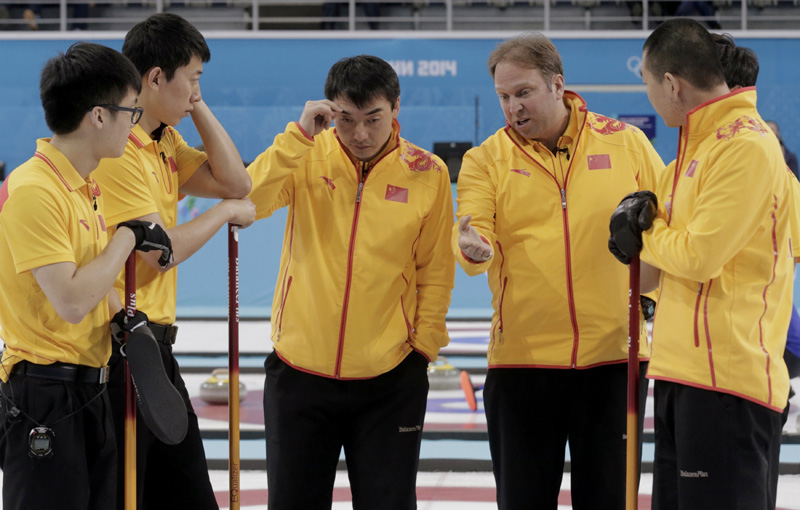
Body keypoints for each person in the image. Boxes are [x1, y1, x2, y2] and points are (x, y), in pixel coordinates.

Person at [453, 33, 663, 510]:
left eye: (523, 92)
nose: (513, 107)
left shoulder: (626, 143)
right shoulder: (485, 160)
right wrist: (473, 247)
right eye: (504, 96)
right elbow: (474, 225)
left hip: (614, 360)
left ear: (557, 84)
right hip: (521, 365)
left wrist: (650, 299)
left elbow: (666, 220)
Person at [247, 55, 455, 509]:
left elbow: (435, 269)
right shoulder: (304, 155)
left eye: (373, 119)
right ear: (329, 111)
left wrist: (423, 349)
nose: (360, 134)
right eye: (346, 119)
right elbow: (249, 204)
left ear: (395, 108)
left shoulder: (428, 173)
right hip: (299, 373)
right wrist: (296, 138)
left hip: (390, 379)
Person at [608, 18, 794, 510]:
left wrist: (648, 234)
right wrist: (629, 244)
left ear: (672, 84)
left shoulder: (747, 147)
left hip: (727, 379)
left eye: (648, 84)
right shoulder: (685, 158)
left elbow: (698, 257)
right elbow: (655, 274)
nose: (650, 96)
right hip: (678, 373)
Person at [91, 13, 254, 510]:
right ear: (156, 77)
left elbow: (237, 182)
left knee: (189, 494)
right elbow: (161, 251)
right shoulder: (119, 150)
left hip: (156, 349)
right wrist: (222, 214)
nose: (197, 92)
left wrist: (195, 103)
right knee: (129, 496)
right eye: (193, 79)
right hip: (121, 345)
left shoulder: (162, 141)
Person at [0, 42, 173, 510]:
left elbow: (90, 281)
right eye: (131, 111)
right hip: (44, 395)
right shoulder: (35, 191)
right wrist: (128, 237)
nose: (134, 124)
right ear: (98, 116)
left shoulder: (84, 187)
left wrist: (128, 320)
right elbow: (72, 301)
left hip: (89, 388)